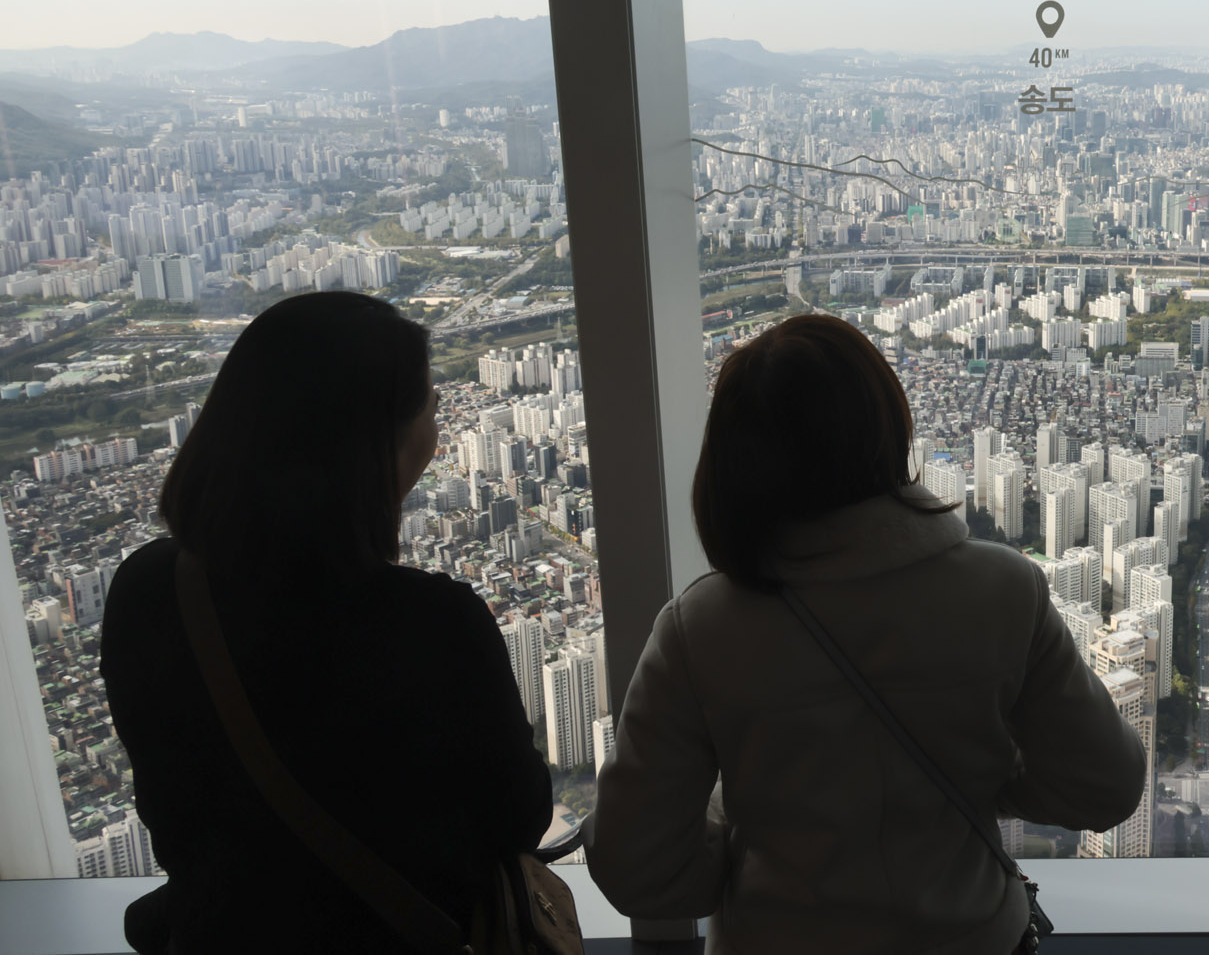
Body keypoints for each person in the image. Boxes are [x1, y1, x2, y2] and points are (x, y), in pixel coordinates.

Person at [587, 314, 1147, 954]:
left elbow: (635, 861)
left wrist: (743, 858)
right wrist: (985, 786)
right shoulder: (1002, 588)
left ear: (734, 460)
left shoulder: (700, 628)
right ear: (887, 426)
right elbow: (1105, 784)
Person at [101, 292, 551, 954]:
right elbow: (519, 815)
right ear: (380, 444)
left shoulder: (146, 590)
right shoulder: (433, 623)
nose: (438, 416)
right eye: (430, 402)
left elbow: (172, 807)